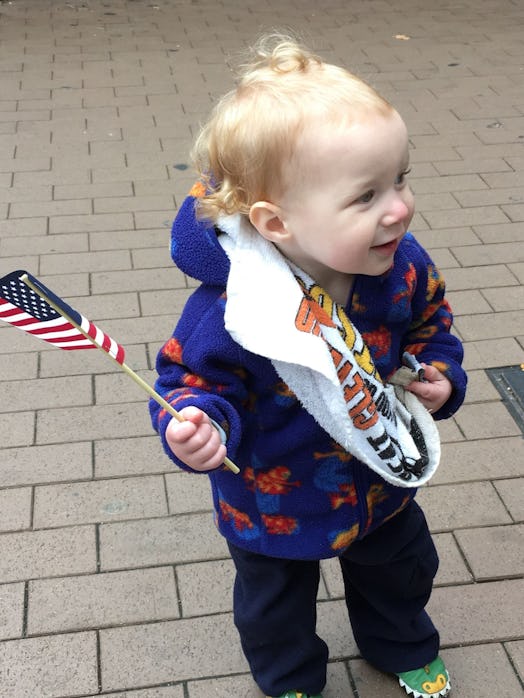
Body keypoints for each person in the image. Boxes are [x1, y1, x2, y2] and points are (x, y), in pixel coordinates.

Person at [150, 33, 467, 698]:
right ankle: (290, 676)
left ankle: (402, 644)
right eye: (366, 196)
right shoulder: (237, 311)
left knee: (400, 569)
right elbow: (189, 384)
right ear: (276, 222)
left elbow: (433, 323)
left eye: (400, 179)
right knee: (273, 602)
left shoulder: (401, 267)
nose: (400, 207)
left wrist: (439, 371)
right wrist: (198, 426)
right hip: (272, 497)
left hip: (379, 475)